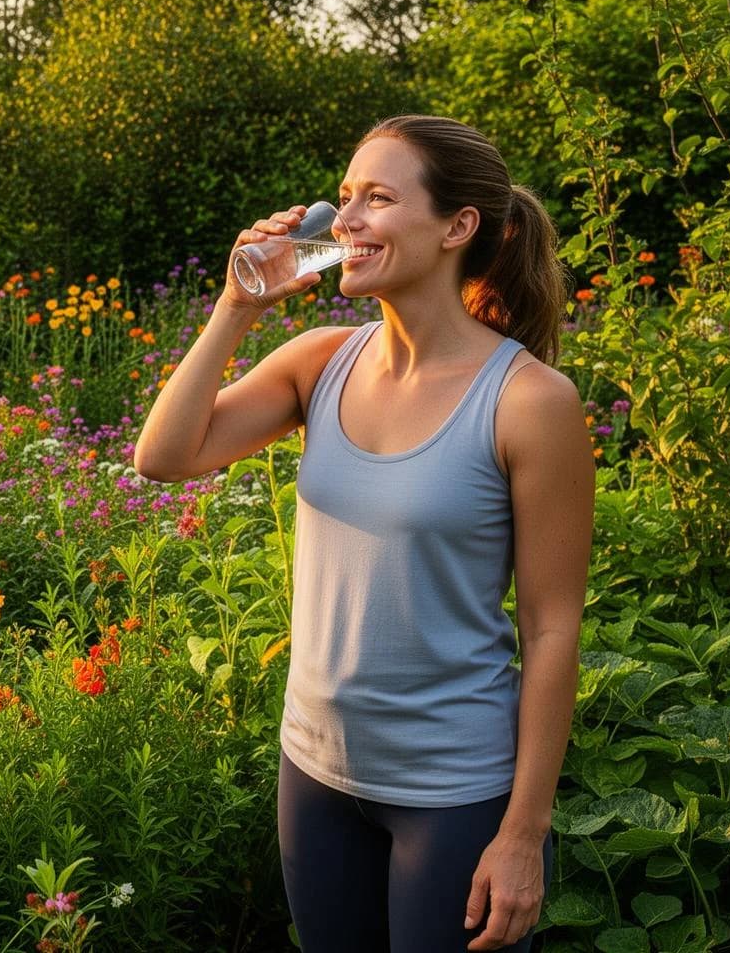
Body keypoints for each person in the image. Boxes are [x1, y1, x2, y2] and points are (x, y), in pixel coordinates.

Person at [131, 115, 594, 952]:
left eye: (377, 199)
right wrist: (238, 306)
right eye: (344, 198)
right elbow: (164, 457)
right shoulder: (319, 360)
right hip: (313, 772)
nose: (343, 222)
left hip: (455, 791)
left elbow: (553, 628)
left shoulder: (531, 402)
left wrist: (524, 832)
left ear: (458, 227)